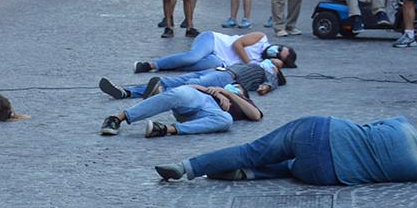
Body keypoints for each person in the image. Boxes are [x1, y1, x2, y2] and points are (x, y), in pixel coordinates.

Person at [154, 117, 417, 185]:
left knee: (254, 149)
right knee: (291, 165)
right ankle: (251, 174)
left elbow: (372, 124)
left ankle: (188, 167)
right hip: (325, 175)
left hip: (320, 131)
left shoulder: (404, 126)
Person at [100, 81, 262, 139]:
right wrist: (214, 90)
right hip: (200, 97)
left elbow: (255, 115)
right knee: (179, 93)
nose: (232, 87)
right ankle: (117, 118)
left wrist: (229, 94)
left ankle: (165, 129)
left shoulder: (244, 101)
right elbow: (189, 86)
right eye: (231, 86)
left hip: (210, 114)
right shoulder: (213, 90)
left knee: (226, 120)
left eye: (236, 88)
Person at [99, 55, 286, 101]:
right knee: (174, 81)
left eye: (278, 60)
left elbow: (265, 88)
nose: (273, 57)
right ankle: (126, 92)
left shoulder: (271, 74)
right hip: (219, 70)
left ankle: (154, 96)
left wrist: (266, 86)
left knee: (189, 85)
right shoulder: (259, 63)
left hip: (227, 78)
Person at [134, 30, 294, 74]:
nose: (276, 51)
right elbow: (238, 45)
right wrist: (250, 63)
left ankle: (167, 66)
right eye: (280, 48)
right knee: (192, 58)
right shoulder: (261, 38)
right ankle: (150, 64)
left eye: (279, 54)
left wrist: (277, 62)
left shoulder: (264, 63)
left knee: (193, 67)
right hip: (214, 41)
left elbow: (274, 70)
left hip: (221, 61)